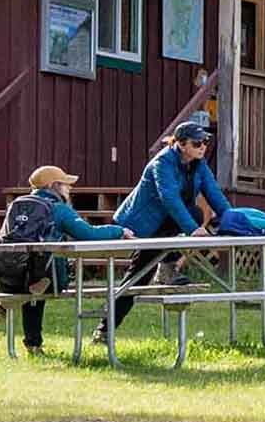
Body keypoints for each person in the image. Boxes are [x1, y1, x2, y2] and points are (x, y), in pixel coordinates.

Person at [98, 119, 232, 343]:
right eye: (197, 142)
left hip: (167, 224)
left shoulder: (199, 165)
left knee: (196, 213)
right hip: (142, 226)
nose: (203, 146)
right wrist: (192, 230)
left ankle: (167, 268)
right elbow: (169, 199)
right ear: (180, 143)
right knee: (137, 278)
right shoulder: (163, 162)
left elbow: (215, 194)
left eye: (206, 141)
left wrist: (234, 222)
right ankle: (104, 330)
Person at [0, 165, 133, 356]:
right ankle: (34, 340)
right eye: (66, 184)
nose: (70, 188)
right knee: (41, 276)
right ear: (53, 185)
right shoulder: (58, 209)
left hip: (8, 275)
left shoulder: (17, 205)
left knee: (34, 277)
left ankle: (31, 340)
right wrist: (119, 231)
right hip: (48, 279)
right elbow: (89, 234)